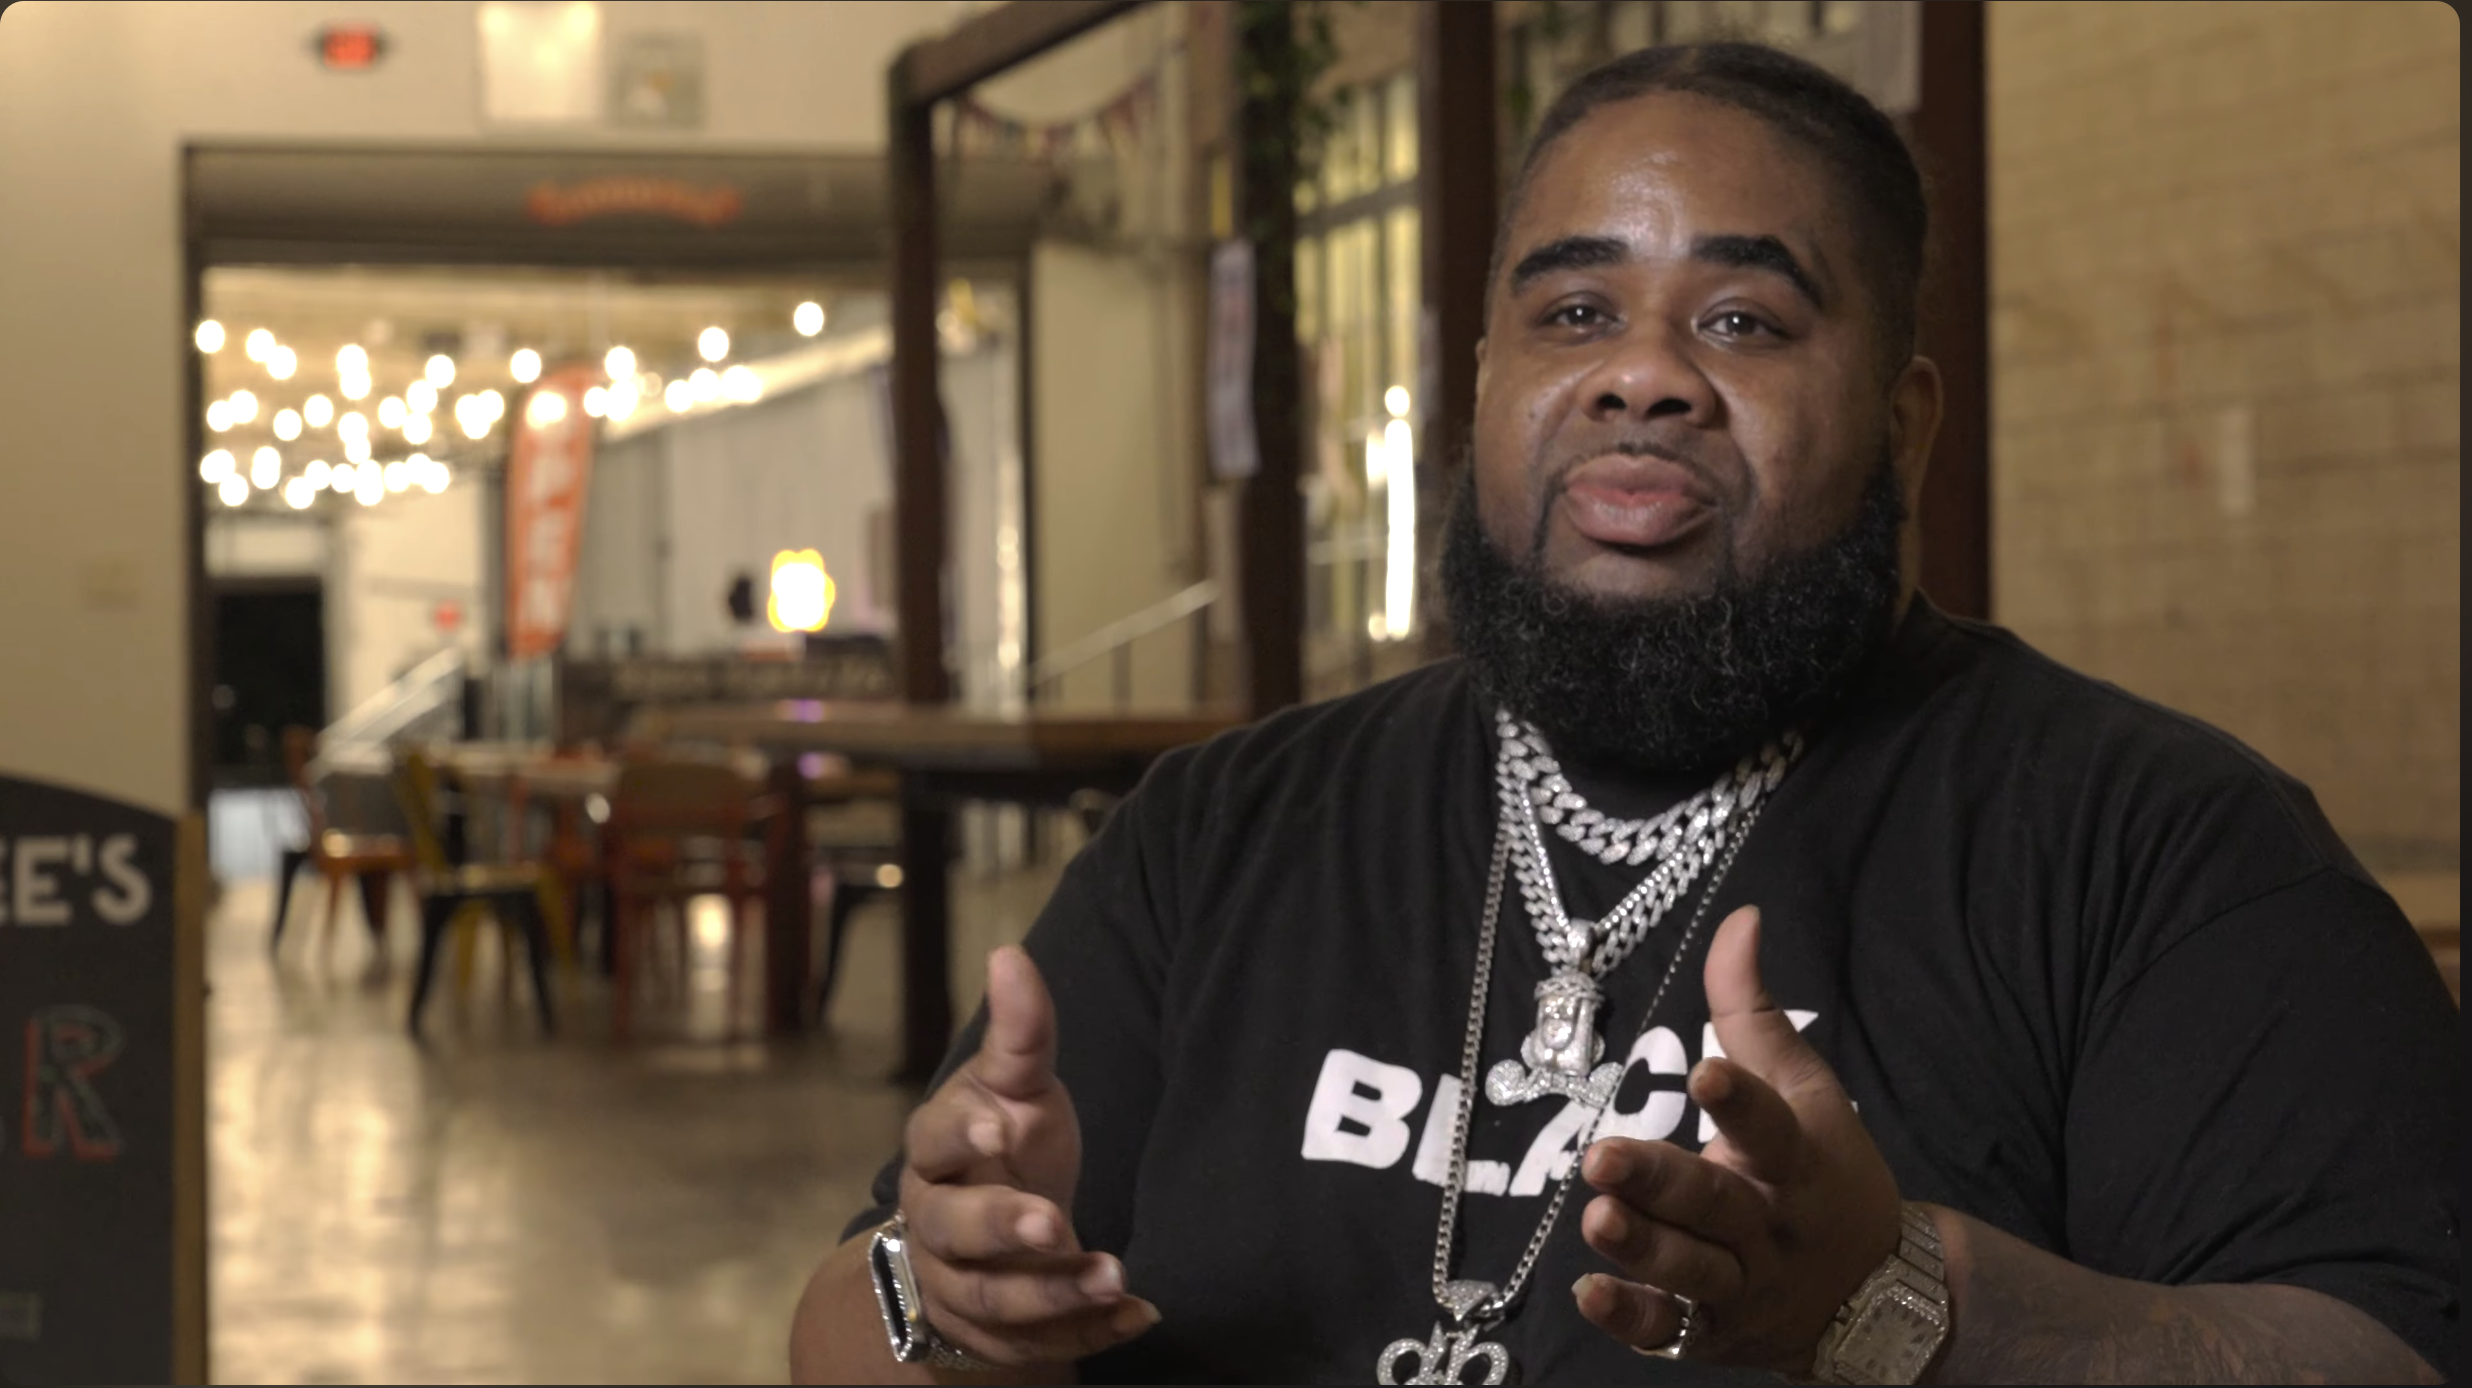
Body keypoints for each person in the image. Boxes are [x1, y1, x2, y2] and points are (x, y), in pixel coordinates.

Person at [790, 42, 2457, 1385]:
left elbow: (2388, 1348)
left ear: (1905, 426)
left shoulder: (2155, 847)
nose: (1640, 373)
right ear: (1484, 385)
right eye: (1573, 312)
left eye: (1743, 320)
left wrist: (1908, 1309)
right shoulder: (1220, 835)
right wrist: (948, 1302)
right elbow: (843, 1326)